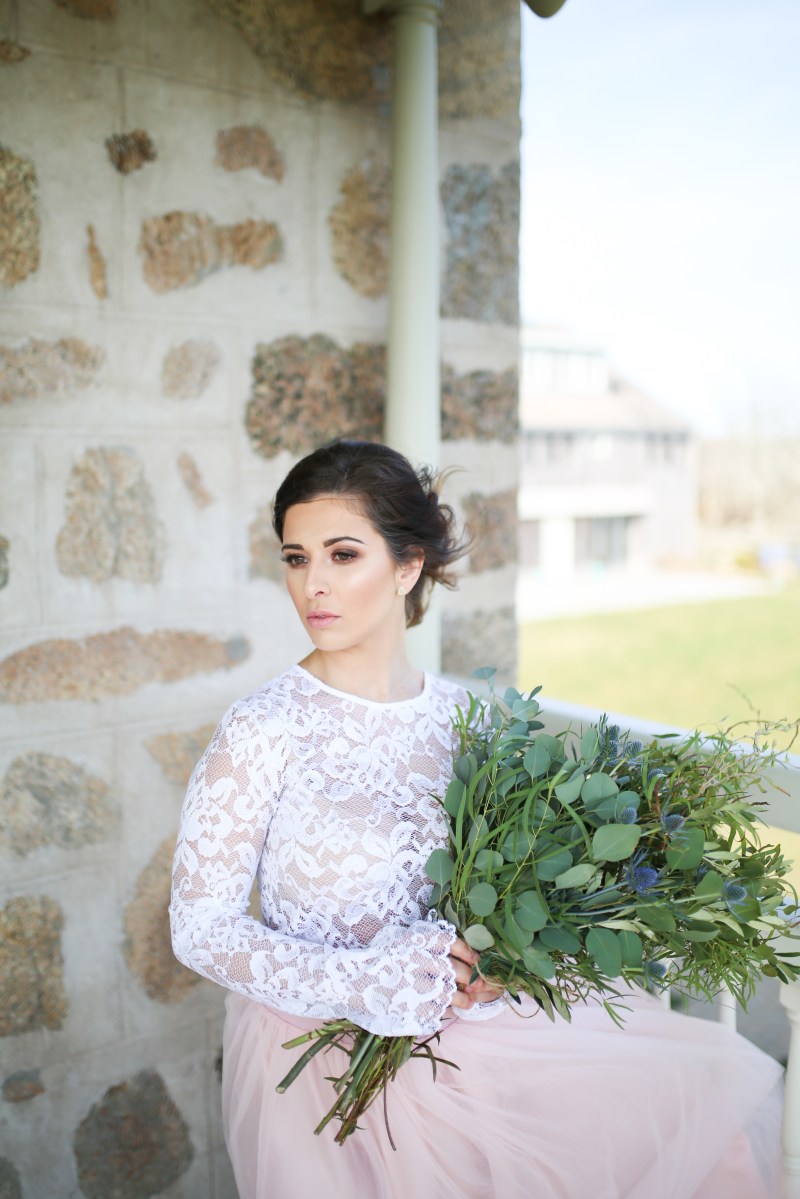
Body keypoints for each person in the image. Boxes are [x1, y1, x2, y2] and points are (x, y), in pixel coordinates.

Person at [170, 439, 783, 1199]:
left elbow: (497, 886)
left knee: (707, 1107)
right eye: (296, 558)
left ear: (407, 565)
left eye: (342, 554)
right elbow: (199, 926)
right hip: (321, 1070)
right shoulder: (262, 727)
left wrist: (499, 963)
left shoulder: (464, 719)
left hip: (470, 1054)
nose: (313, 585)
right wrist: (362, 982)